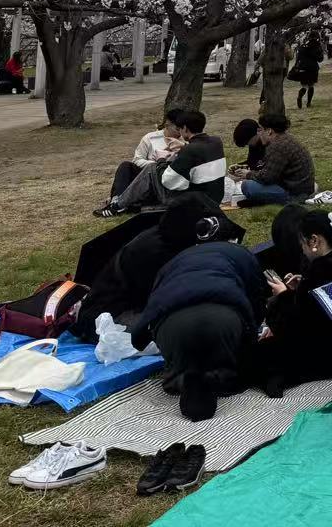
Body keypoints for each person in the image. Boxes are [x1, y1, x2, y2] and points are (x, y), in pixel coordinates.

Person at [129, 241, 268, 421]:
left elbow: (153, 303)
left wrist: (143, 338)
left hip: (172, 328)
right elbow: (257, 296)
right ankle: (220, 376)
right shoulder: (243, 256)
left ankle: (182, 376)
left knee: (184, 361)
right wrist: (253, 334)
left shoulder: (170, 265)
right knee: (231, 364)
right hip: (223, 322)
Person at [73, 193, 228, 340]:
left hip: (130, 307)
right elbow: (165, 302)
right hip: (109, 317)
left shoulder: (170, 238)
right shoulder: (155, 252)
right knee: (193, 328)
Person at [251, 208, 332, 396]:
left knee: (255, 354)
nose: (302, 249)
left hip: (329, 352)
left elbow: (296, 325)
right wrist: (299, 288)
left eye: (302, 243)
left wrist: (283, 295)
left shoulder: (320, 271)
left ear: (314, 241)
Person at [97, 110, 226, 216]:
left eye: (180, 129)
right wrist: (183, 147)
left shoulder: (189, 150)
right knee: (129, 166)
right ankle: (121, 202)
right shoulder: (216, 141)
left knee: (152, 168)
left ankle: (117, 206)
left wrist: (161, 160)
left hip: (193, 202)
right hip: (213, 199)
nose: (179, 133)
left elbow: (168, 180)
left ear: (185, 128)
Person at [239, 113, 317, 206]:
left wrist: (248, 174)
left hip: (294, 193)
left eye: (261, 130)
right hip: (303, 187)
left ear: (269, 131)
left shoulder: (277, 146)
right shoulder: (286, 138)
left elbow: (267, 178)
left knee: (247, 186)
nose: (259, 133)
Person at [111, 114, 186, 199]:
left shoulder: (185, 140)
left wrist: (184, 148)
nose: (180, 133)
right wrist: (155, 163)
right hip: (150, 175)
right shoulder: (151, 138)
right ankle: (116, 199)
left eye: (182, 129)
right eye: (177, 129)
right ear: (167, 125)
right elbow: (137, 160)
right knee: (125, 166)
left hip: (172, 178)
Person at [289, 32, 322, 109]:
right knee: (311, 85)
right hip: (313, 68)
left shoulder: (303, 46)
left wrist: (297, 65)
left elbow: (298, 58)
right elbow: (320, 59)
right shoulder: (317, 46)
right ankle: (309, 103)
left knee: (304, 86)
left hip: (303, 67)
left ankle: (299, 97)